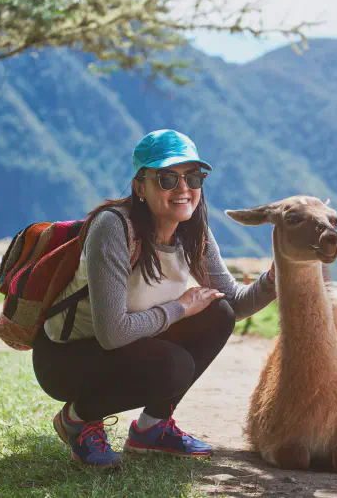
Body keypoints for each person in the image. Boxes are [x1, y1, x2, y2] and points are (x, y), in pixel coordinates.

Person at [31, 129, 277, 467]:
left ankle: (152, 429)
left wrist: (277, 279)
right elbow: (112, 333)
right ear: (139, 187)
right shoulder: (113, 228)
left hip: (127, 348)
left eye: (193, 177)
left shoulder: (194, 232)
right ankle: (79, 418)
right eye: (166, 178)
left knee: (218, 312)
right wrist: (180, 308)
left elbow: (234, 303)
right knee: (174, 366)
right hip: (67, 359)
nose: (183, 189)